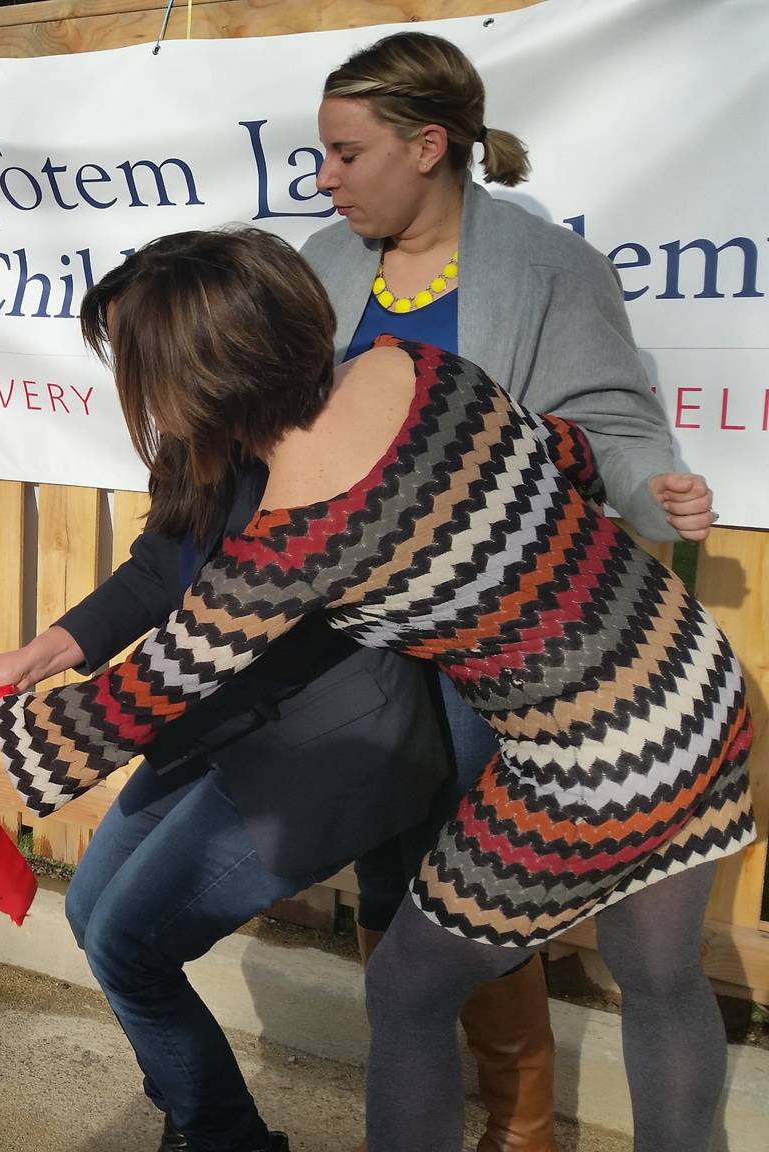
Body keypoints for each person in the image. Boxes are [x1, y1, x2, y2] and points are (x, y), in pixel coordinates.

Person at [0, 228, 753, 1152]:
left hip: (594, 754)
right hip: (692, 675)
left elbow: (139, 697)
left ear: (190, 381)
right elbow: (566, 451)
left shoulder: (294, 540)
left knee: (406, 990)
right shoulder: (419, 367)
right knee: (658, 974)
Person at [303, 31, 716, 1149]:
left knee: (488, 899)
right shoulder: (322, 267)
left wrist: (651, 484)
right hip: (367, 650)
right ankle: (466, 1109)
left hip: (512, 664)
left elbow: (609, 426)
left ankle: (516, 1120)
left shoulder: (546, 272)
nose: (323, 178)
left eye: (343, 155)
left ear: (426, 145)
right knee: (394, 875)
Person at [0, 417, 448, 1147]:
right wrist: (31, 658)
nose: (138, 391)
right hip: (223, 715)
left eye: (142, 350)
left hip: (329, 738)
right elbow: (159, 566)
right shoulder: (194, 436)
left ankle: (222, 1135)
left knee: (127, 943)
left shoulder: (310, 448)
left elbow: (192, 654)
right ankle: (195, 1104)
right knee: (91, 909)